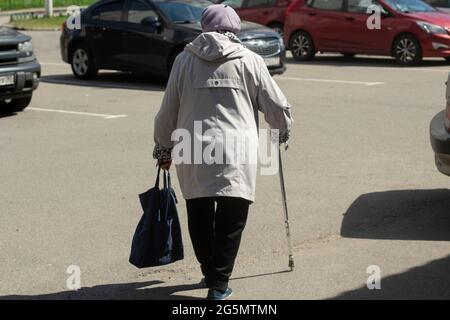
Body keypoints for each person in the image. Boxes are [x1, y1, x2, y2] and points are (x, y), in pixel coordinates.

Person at [153, 4, 292, 300]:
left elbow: (167, 111)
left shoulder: (183, 61)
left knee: (199, 212)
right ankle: (219, 284)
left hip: (193, 148)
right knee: (232, 217)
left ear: (204, 27)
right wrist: (283, 128)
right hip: (235, 152)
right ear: (235, 30)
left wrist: (163, 148)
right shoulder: (250, 60)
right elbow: (276, 105)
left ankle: (209, 271)